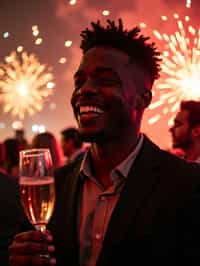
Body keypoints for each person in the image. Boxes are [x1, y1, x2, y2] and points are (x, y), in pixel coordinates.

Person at [9, 18, 200, 266]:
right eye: (80, 81)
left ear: (143, 99)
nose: (84, 90)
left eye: (105, 80)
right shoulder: (55, 186)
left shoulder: (187, 186)